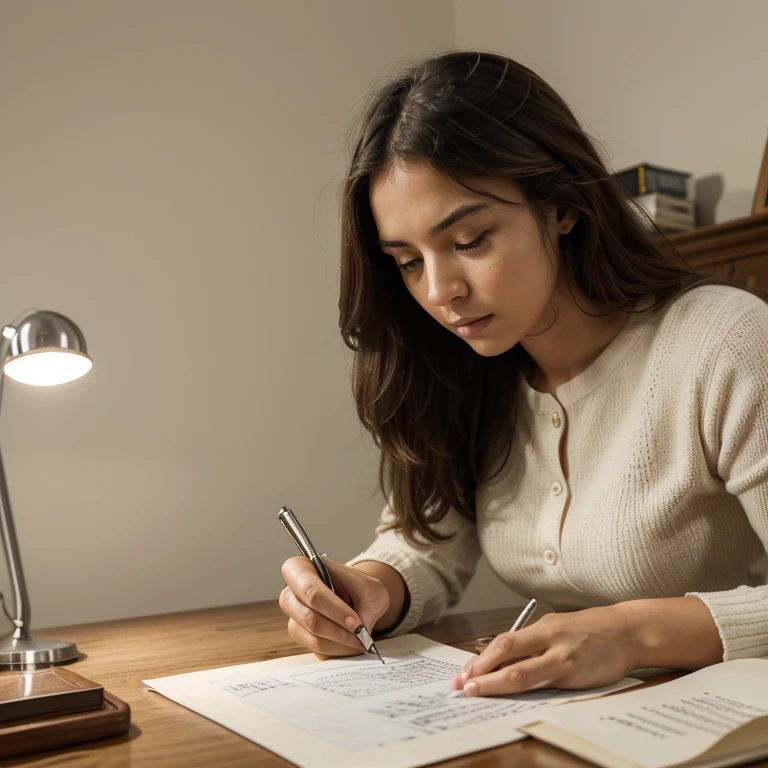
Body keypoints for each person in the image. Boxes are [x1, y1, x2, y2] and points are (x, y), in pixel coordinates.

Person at [279, 50, 768, 697]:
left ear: (562, 205)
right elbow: (427, 545)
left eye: (470, 240)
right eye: (407, 261)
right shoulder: (467, 371)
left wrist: (630, 632)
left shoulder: (725, 342)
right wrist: (372, 587)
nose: (439, 291)